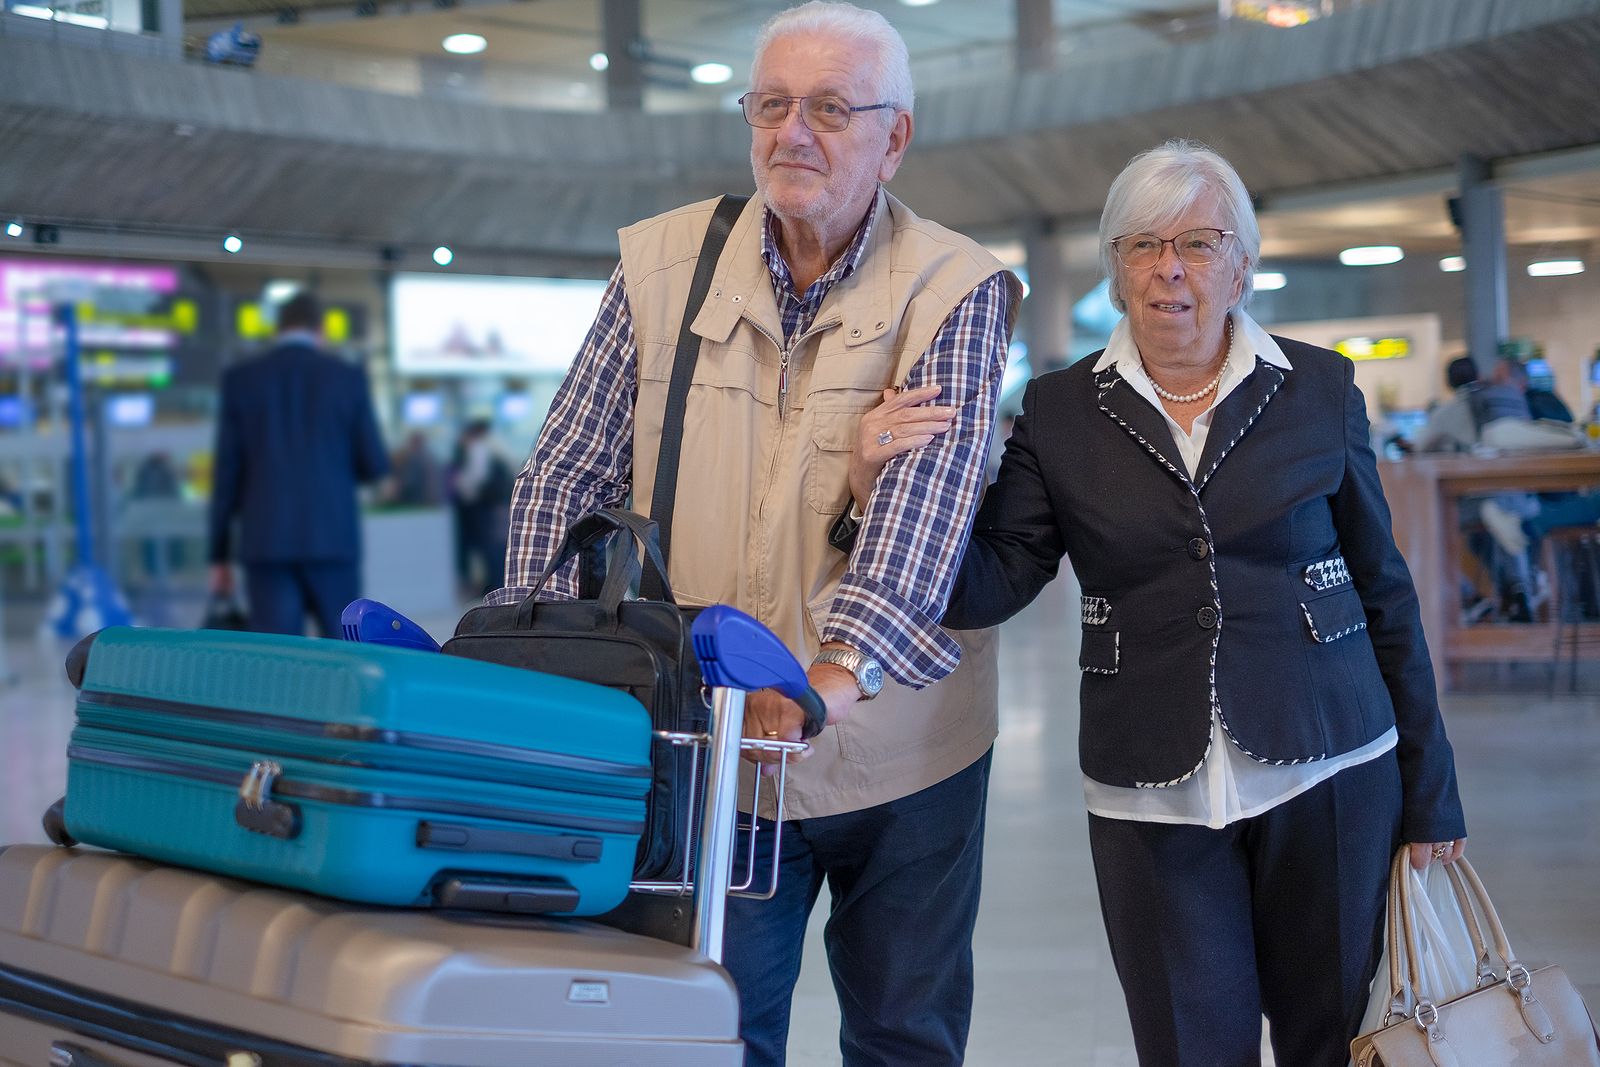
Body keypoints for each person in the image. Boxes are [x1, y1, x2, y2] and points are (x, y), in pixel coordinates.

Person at [850, 140, 1466, 1067]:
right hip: (1151, 785)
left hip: (1332, 765)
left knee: (1333, 1042)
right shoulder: (1059, 411)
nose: (1168, 268)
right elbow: (997, 577)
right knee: (1185, 1047)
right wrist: (874, 500)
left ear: (1241, 266)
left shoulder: (1319, 388)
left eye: (1198, 243)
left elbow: (1385, 590)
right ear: (1114, 269)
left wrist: (1431, 792)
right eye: (1140, 245)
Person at [488, 4, 1020, 1062]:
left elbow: (922, 516)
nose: (793, 134)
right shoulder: (660, 265)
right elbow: (566, 471)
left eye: (829, 109)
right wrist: (526, 644)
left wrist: (823, 681)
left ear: (894, 135)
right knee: (713, 1031)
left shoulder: (954, 285)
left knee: (901, 1032)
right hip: (711, 741)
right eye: (770, 105)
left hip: (901, 747)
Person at [208, 290, 390, 636]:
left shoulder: (242, 380)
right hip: (332, 539)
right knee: (343, 650)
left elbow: (226, 475)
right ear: (320, 331)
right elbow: (374, 463)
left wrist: (218, 555)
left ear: (277, 330)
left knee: (281, 661)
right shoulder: (347, 378)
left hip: (266, 542)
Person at [449, 420, 512, 597]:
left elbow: (475, 479)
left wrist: (464, 493)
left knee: (491, 547)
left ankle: (495, 586)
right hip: (497, 504)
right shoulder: (496, 446)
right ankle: (496, 584)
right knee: (496, 547)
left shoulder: (478, 449)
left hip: (486, 507)